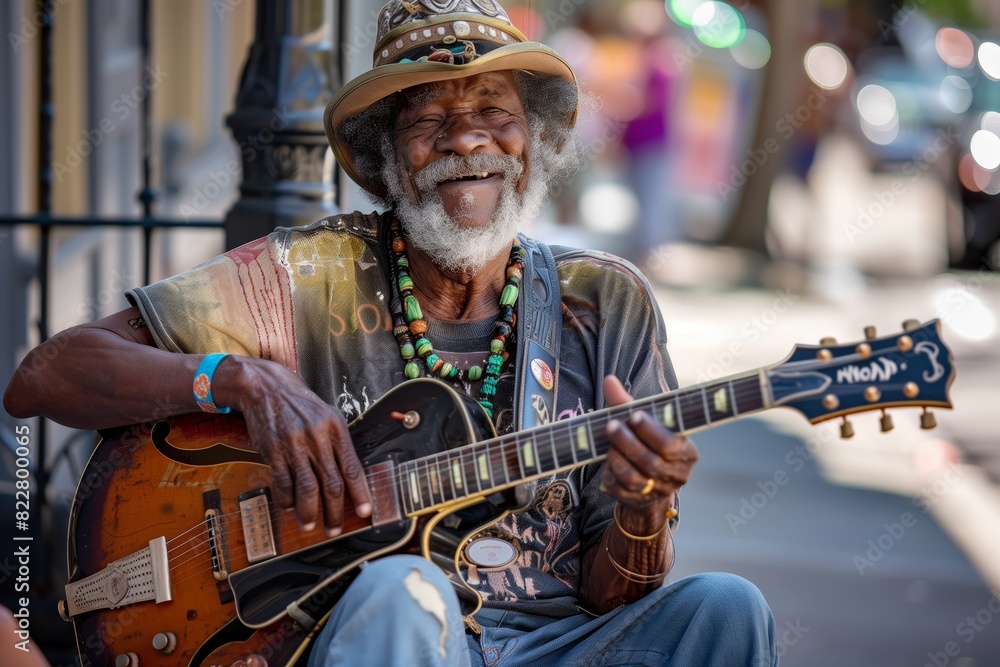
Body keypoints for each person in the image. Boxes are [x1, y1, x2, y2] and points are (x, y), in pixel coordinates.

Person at [3, 0, 776, 664]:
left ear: (533, 141)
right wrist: (236, 377)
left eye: (494, 114)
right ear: (385, 156)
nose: (467, 141)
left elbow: (616, 595)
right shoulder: (303, 274)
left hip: (555, 641)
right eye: (431, 119)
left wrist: (643, 511)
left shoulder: (606, 301)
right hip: (370, 635)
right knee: (405, 588)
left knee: (728, 609)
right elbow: (43, 374)